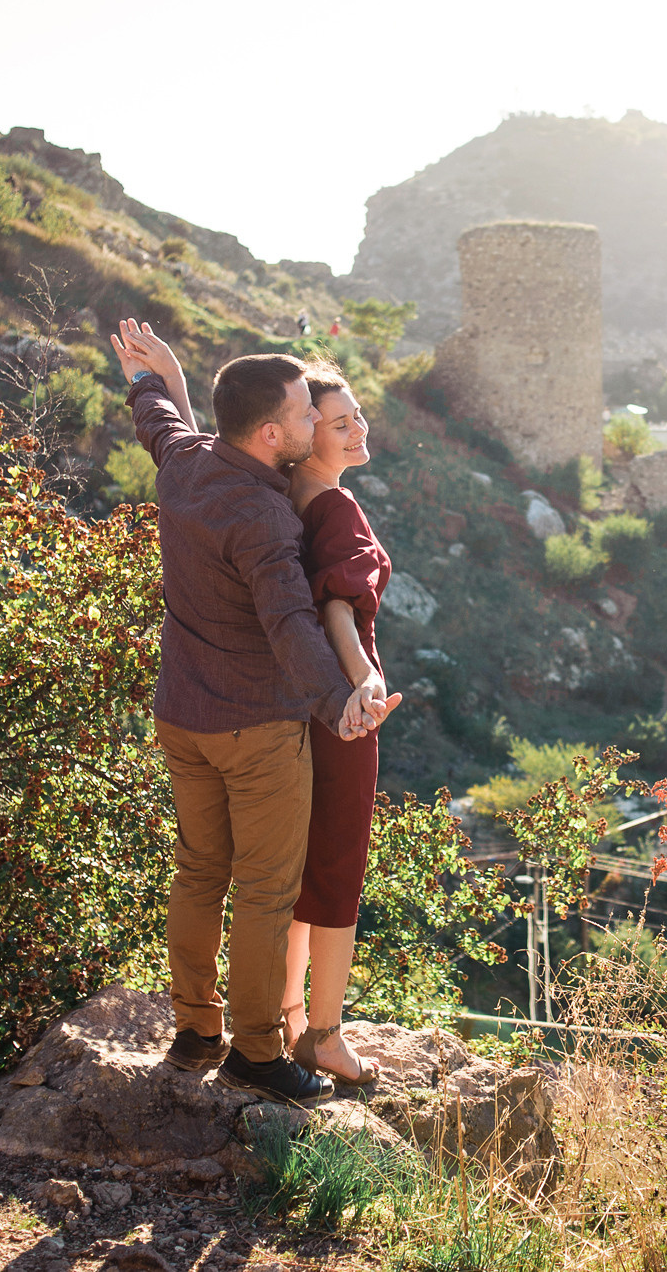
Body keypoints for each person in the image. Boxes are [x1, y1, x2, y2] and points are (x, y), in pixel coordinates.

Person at [109, 321, 397, 1107]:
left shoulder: (187, 463)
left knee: (200, 870)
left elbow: (157, 419)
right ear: (271, 432)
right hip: (255, 728)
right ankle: (259, 1053)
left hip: (181, 714)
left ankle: (197, 1029)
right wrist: (342, 702)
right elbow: (290, 629)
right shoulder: (266, 517)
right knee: (266, 891)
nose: (313, 427)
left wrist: (150, 374)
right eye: (307, 414)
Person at [279, 368, 390, 1086]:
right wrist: (365, 680)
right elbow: (338, 608)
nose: (358, 429)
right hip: (344, 708)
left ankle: (286, 1014)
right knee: (340, 864)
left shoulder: (285, 493)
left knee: (292, 864)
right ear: (305, 430)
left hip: (293, 701)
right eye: (341, 420)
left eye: (359, 416)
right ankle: (323, 1033)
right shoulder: (337, 507)